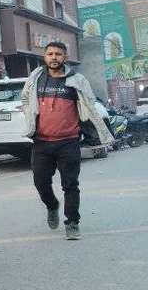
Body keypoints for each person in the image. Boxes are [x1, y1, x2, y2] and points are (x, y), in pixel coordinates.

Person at [21, 42, 112, 241]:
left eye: (58, 54)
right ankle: (52, 205)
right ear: (44, 56)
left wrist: (96, 133)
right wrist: (29, 117)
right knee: (40, 182)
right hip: (41, 141)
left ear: (65, 57)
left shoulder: (77, 79)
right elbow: (25, 98)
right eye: (50, 54)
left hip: (68, 141)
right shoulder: (35, 77)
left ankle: (72, 223)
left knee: (70, 184)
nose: (54, 57)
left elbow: (89, 106)